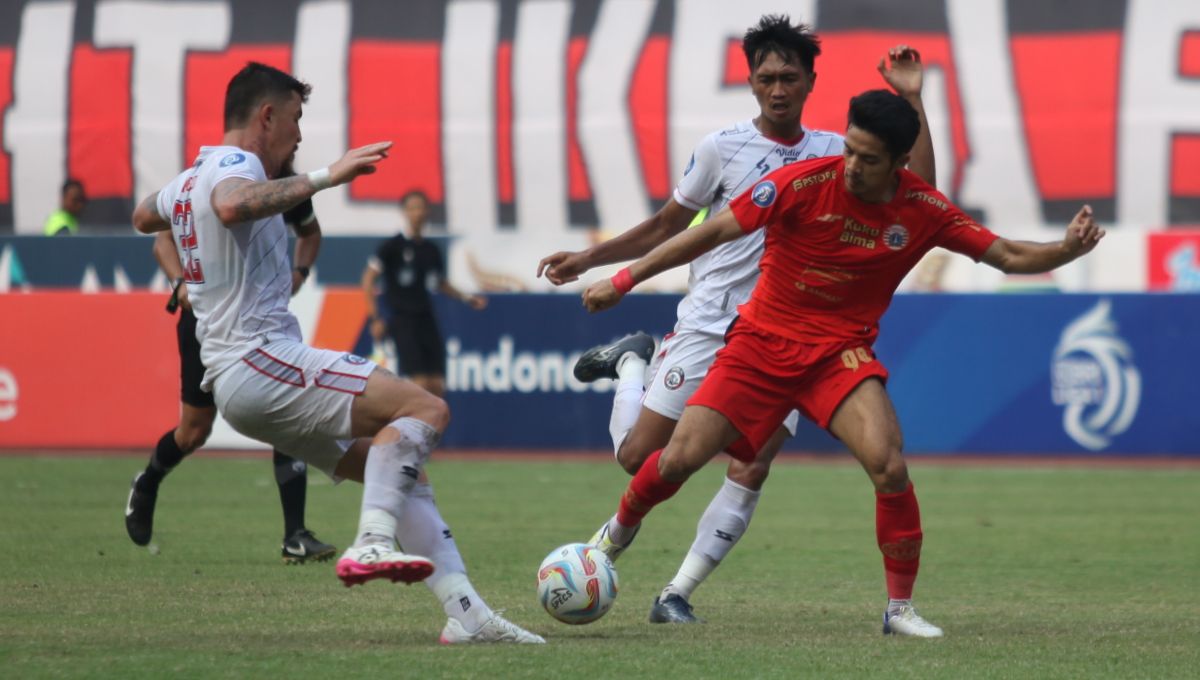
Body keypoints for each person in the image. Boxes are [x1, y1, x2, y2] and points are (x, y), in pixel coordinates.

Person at [579, 89, 1105, 638]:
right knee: (675, 461)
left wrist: (1065, 249)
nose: (851, 166)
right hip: (760, 345)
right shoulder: (801, 183)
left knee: (888, 464)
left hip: (837, 355)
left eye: (869, 158)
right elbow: (707, 231)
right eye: (850, 149)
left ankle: (898, 610)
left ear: (900, 163)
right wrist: (624, 278)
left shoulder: (922, 209)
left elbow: (1008, 255)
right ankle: (612, 538)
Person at [536, 15, 935, 625]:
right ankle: (632, 362)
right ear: (750, 82)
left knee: (752, 464)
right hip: (709, 323)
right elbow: (670, 225)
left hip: (789, 335)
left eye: (789, 77)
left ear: (809, 82)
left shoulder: (840, 152)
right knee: (640, 458)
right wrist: (592, 260)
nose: (777, 88)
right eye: (766, 77)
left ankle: (676, 593)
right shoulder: (721, 148)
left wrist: (911, 98)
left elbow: (921, 194)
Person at [131, 62, 542, 644]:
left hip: (240, 383)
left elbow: (144, 215)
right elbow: (228, 206)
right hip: (259, 361)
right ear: (266, 116)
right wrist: (328, 175)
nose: (298, 136)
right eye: (295, 120)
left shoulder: (193, 176)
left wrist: (181, 196)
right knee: (428, 410)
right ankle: (371, 541)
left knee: (400, 471)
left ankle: (468, 616)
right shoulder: (236, 166)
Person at [125, 186, 336, 564]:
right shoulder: (212, 183)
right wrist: (179, 282)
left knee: (286, 411)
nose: (294, 141)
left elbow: (310, 232)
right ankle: (148, 481)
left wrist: (300, 272)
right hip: (206, 319)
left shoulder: (283, 184)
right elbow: (162, 240)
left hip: (261, 323)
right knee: (193, 433)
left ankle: (295, 535)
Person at [361, 190, 486, 397]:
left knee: (437, 384)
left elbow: (439, 282)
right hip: (403, 319)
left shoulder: (431, 249)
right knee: (419, 382)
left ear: (427, 211)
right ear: (404, 212)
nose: (417, 213)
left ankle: (432, 429)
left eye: (421, 207)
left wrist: (467, 298)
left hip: (426, 317)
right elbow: (368, 279)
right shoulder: (392, 246)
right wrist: (375, 318)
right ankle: (413, 428)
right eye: (412, 208)